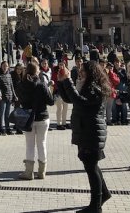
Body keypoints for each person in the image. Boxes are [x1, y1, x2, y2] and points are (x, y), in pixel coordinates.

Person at [56, 61, 112, 213]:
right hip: (85, 129)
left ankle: (95, 206)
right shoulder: (86, 85)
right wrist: (61, 83)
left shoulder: (94, 88)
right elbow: (70, 98)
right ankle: (104, 194)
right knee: (91, 164)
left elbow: (80, 102)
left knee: (91, 166)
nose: (80, 73)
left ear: (91, 72)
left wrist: (67, 80)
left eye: (83, 70)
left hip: (91, 131)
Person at [15, 61, 54, 180]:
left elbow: (20, 100)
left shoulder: (22, 85)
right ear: (37, 72)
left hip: (29, 118)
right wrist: (49, 88)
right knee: (42, 144)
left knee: (30, 145)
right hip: (42, 117)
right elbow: (51, 101)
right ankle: (42, 172)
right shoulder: (41, 84)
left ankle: (28, 172)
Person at [0, 61, 16, 135]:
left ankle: (7, 128)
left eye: (6, 66)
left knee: (7, 114)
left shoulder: (9, 75)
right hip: (2, 97)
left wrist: (14, 96)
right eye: (4, 66)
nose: (5, 67)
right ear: (1, 66)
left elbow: (12, 87)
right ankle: (1, 128)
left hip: (9, 96)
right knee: (1, 113)